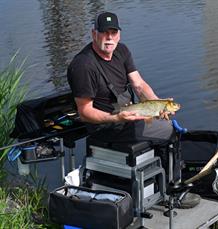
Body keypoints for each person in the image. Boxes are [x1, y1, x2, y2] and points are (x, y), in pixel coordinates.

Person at [67, 11, 200, 208]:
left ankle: (158, 185)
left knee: (165, 122)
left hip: (131, 117)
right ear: (93, 34)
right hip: (106, 128)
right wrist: (116, 118)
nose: (109, 38)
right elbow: (84, 112)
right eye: (104, 33)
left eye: (113, 32)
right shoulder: (83, 65)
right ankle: (173, 191)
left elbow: (139, 85)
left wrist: (159, 104)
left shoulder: (122, 51)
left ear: (119, 35)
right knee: (170, 131)